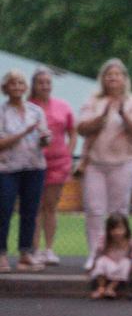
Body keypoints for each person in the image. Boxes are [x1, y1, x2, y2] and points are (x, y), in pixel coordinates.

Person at [77, 58, 132, 268]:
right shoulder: (94, 101)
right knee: (94, 210)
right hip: (96, 164)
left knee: (119, 210)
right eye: (109, 75)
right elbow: (81, 128)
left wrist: (123, 114)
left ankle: (119, 254)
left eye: (117, 75)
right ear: (103, 79)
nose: (113, 78)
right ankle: (95, 254)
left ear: (124, 78)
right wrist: (102, 116)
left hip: (124, 162)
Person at [0, 70, 51, 273]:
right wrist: (24, 132)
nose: (17, 87)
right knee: (4, 211)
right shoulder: (2, 112)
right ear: (6, 87)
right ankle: (1, 254)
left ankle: (25, 253)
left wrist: (45, 138)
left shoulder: (36, 111)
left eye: (21, 83)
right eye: (13, 83)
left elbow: (44, 140)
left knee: (30, 212)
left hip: (34, 166)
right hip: (8, 169)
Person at [29, 67, 75, 265]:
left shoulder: (62, 106)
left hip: (58, 163)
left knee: (51, 206)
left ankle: (48, 249)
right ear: (34, 85)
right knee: (34, 207)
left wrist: (69, 154)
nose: (45, 86)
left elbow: (73, 131)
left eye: (48, 82)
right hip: (33, 163)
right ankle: (34, 248)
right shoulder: (28, 106)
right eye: (41, 82)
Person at [88, 212, 132, 299]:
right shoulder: (105, 241)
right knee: (101, 261)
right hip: (109, 264)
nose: (117, 232)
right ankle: (101, 288)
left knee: (126, 262)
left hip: (121, 265)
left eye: (120, 229)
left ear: (126, 229)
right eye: (113, 229)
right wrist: (93, 266)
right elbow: (98, 255)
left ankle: (111, 288)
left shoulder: (131, 242)